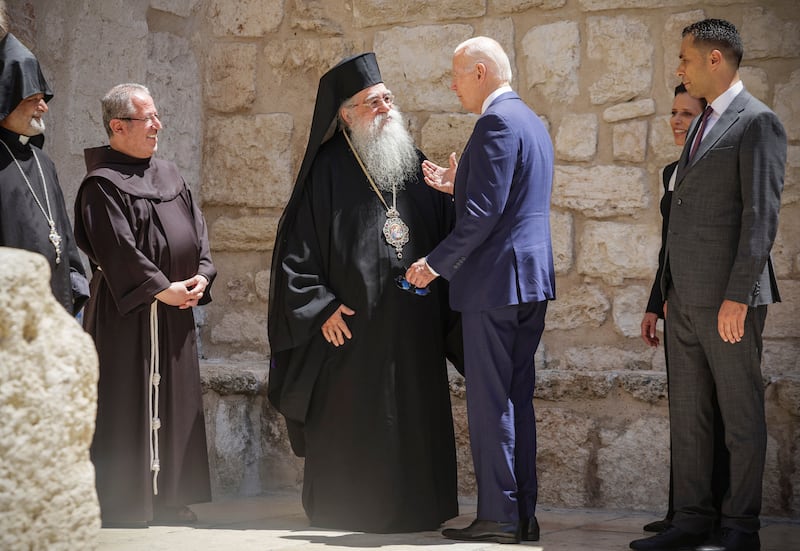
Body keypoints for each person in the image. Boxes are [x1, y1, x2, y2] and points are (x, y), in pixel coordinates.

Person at [267, 53, 459, 533]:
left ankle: (418, 507)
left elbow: (450, 232)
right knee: (357, 418)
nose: (387, 108)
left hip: (414, 328)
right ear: (346, 114)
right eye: (374, 102)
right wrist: (321, 306)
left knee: (412, 417)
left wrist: (458, 193)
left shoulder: (413, 163)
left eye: (389, 98)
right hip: (350, 331)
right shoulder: (327, 170)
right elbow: (297, 249)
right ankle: (345, 506)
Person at [630, 18, 786, 551]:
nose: (679, 69)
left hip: (728, 302)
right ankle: (691, 520)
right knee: (689, 419)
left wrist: (737, 296)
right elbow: (682, 220)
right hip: (684, 303)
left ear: (715, 59)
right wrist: (663, 297)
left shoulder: (757, 123)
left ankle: (741, 528)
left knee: (740, 419)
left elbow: (761, 218)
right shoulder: (699, 124)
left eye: (685, 59)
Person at [406, 36, 555, 544]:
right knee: (516, 399)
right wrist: (458, 183)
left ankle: (499, 517)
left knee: (492, 404)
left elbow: (484, 215)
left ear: (482, 71)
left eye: (457, 73)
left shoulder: (494, 123)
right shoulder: (529, 120)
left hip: (494, 283)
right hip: (527, 283)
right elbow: (505, 198)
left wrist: (434, 263)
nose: (451, 84)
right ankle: (522, 514)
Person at [73, 83, 216, 528]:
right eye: (147, 118)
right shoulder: (101, 185)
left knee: (176, 402)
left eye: (157, 116)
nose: (158, 125)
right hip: (127, 316)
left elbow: (199, 232)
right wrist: (161, 288)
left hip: (175, 316)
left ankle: (172, 496)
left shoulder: (171, 175)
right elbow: (117, 249)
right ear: (118, 127)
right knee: (127, 402)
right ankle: (126, 500)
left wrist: (203, 274)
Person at [640, 84, 730, 535]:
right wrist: (655, 304)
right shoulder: (671, 172)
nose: (676, 121)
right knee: (686, 411)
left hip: (714, 307)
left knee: (717, 412)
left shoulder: (719, 170)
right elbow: (668, 248)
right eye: (672, 112)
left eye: (685, 113)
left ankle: (715, 516)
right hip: (677, 309)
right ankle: (683, 512)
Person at [0, 28, 89, 315]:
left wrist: (76, 280)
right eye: (32, 100)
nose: (43, 108)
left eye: (43, 98)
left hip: (57, 303)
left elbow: (61, 229)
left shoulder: (43, 161)